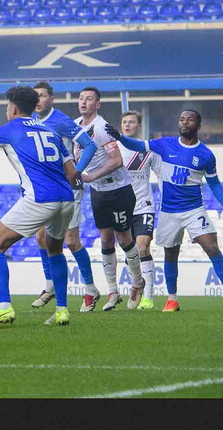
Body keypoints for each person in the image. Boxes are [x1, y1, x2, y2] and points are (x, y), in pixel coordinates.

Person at [0, 86, 82, 327]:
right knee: (55, 249)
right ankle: (62, 310)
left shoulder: (9, 129)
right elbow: (72, 172)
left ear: (13, 108)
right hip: (66, 198)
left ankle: (4, 308)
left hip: (40, 198)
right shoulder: (50, 131)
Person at [105, 110, 223, 313]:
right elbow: (138, 146)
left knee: (212, 247)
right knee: (170, 254)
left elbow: (214, 182)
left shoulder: (206, 155)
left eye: (189, 120)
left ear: (198, 126)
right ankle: (172, 299)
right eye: (181, 119)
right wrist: (120, 138)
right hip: (168, 212)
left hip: (193, 209)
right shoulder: (165, 144)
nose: (184, 123)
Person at [29, 81, 100, 312]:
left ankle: (90, 289)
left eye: (42, 96)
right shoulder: (29, 122)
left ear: (52, 99)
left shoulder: (60, 121)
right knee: (41, 238)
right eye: (35, 96)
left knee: (70, 240)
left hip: (68, 187)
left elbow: (89, 145)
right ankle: (50, 286)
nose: (38, 100)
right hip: (45, 187)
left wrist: (76, 170)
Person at [75, 86, 145, 311]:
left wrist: (91, 175)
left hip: (119, 190)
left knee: (124, 240)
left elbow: (116, 160)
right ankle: (112, 291)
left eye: (89, 99)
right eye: (81, 98)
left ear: (98, 104)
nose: (83, 102)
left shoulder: (102, 127)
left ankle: (137, 283)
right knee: (105, 240)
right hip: (98, 192)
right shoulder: (75, 126)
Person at [117, 111, 163, 309]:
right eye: (124, 122)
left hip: (144, 205)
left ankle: (149, 297)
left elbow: (161, 176)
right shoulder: (114, 149)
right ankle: (137, 285)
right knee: (131, 252)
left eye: (132, 122)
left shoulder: (147, 150)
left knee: (143, 246)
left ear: (139, 126)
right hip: (121, 207)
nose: (127, 125)